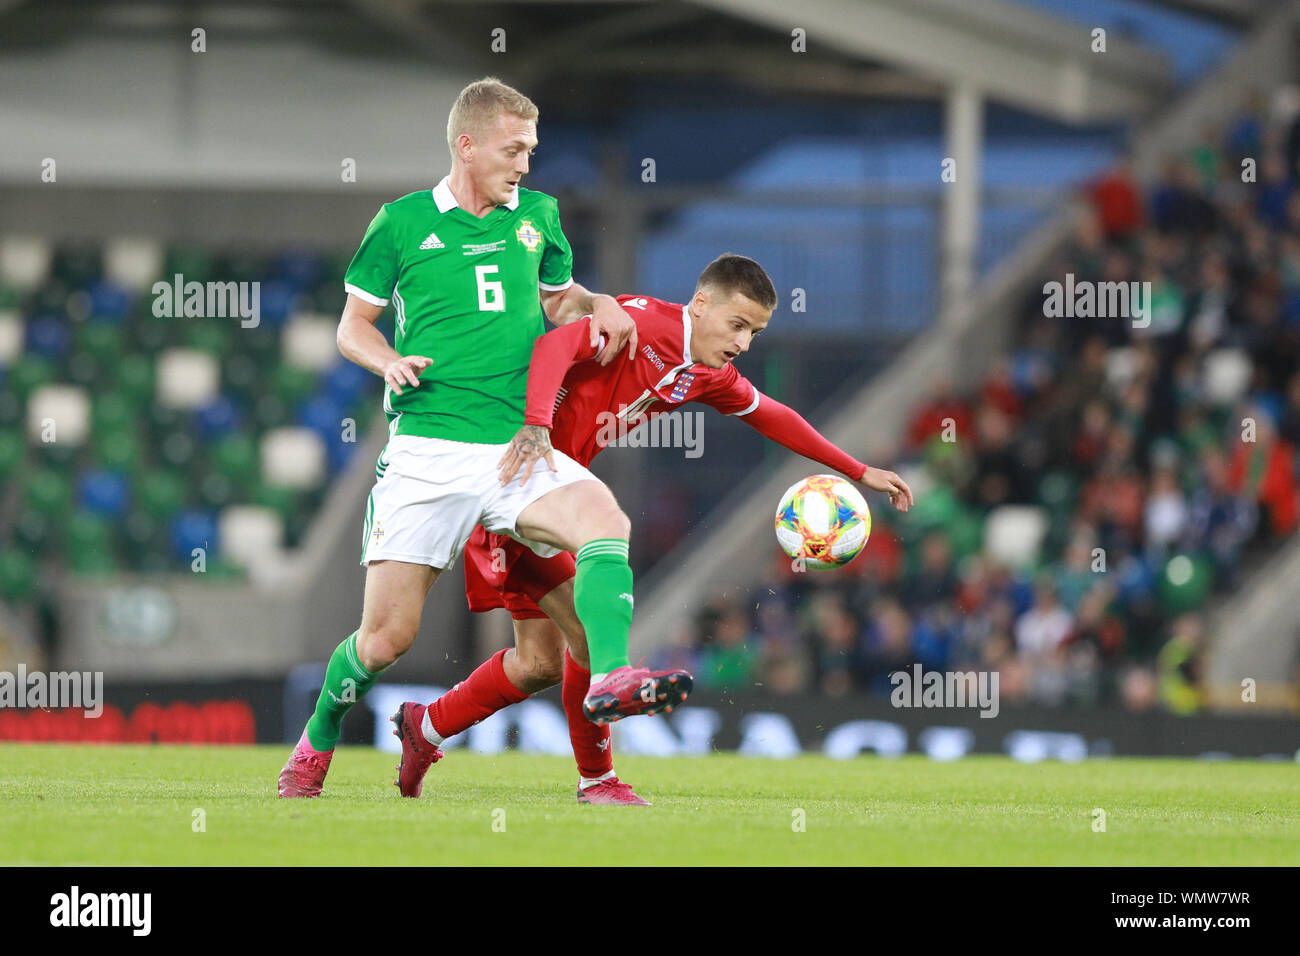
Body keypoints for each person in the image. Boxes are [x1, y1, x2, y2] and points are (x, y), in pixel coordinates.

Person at [277, 76, 692, 799]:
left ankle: (616, 676)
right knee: (384, 642)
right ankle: (316, 741)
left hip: (516, 450)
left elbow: (558, 297)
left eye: (531, 150)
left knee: (605, 520)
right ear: (466, 146)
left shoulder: (538, 216)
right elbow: (353, 326)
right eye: (513, 149)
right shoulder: (401, 224)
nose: (526, 164)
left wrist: (595, 303)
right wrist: (388, 360)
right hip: (427, 451)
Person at [394, 253, 914, 804]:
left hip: (552, 494)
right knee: (590, 633)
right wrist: (537, 428)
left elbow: (771, 414)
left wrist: (858, 470)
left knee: (539, 662)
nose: (744, 343)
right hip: (517, 477)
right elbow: (553, 345)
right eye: (737, 325)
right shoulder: (639, 323)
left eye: (755, 332)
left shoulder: (706, 373)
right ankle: (599, 768)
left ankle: (422, 727)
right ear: (701, 303)